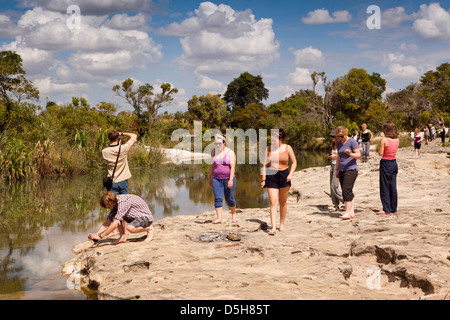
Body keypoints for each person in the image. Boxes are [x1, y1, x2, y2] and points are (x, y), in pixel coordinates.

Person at [261, 129, 297, 235]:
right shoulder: (268, 149)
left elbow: (294, 162)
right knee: (273, 202)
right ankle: (273, 227)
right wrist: (263, 179)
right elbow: (264, 165)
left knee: (283, 202)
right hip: (271, 175)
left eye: (275, 139)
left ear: (281, 139)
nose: (273, 142)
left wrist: (290, 174)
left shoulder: (287, 148)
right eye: (271, 140)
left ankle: (281, 224)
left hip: (284, 175)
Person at [88, 192, 154, 245]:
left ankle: (149, 229)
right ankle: (122, 237)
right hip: (134, 217)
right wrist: (96, 234)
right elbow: (107, 223)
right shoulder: (115, 204)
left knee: (129, 228)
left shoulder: (123, 202)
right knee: (116, 218)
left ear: (111, 201)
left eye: (107, 205)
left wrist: (100, 236)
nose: (107, 207)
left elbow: (115, 224)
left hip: (145, 218)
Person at [208, 134, 237, 224]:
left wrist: (231, 180)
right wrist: (209, 177)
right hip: (216, 178)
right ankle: (219, 218)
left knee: (229, 199)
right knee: (218, 198)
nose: (217, 145)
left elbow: (232, 167)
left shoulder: (230, 153)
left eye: (219, 143)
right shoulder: (214, 153)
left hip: (228, 178)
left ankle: (233, 214)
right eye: (216, 143)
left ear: (224, 143)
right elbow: (212, 166)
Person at [335, 126, 361, 220]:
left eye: (342, 136)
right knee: (347, 190)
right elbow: (338, 156)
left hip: (351, 169)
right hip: (342, 169)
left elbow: (358, 155)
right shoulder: (339, 143)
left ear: (346, 134)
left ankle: (347, 212)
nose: (340, 138)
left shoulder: (352, 141)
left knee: (346, 190)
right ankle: (351, 212)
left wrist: (350, 154)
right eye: (338, 136)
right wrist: (336, 169)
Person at [102, 130, 138, 195]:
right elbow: (134, 136)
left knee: (111, 203)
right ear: (118, 138)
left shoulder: (104, 151)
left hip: (112, 181)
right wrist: (122, 133)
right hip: (123, 181)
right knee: (125, 201)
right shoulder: (123, 149)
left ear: (109, 138)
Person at [377, 121, 399, 215]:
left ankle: (386, 209)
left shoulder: (384, 139)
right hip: (394, 162)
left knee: (385, 186)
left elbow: (381, 153)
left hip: (386, 162)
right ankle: (393, 207)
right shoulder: (397, 139)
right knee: (393, 186)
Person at [327, 129, 344, 211]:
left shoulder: (341, 144)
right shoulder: (333, 144)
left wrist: (335, 156)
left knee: (334, 185)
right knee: (331, 186)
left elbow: (343, 156)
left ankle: (345, 200)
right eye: (331, 136)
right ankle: (335, 204)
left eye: (333, 136)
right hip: (332, 165)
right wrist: (330, 156)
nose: (332, 138)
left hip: (338, 166)